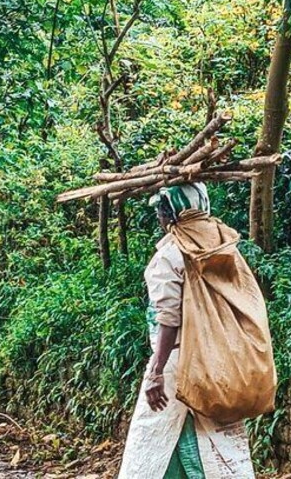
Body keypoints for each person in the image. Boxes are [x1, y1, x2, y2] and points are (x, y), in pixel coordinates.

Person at [117, 183, 255, 479]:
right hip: (220, 359)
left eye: (160, 212)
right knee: (220, 445)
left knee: (155, 441)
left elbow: (168, 318)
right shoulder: (224, 247)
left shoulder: (169, 256)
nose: (158, 218)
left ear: (171, 216)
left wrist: (156, 371)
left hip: (178, 362)